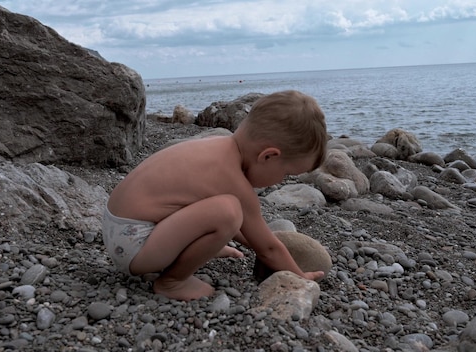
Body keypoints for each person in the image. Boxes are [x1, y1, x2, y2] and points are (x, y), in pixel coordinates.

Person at [103, 90, 328, 301]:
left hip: (118, 228)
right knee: (227, 212)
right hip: (134, 243)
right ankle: (173, 281)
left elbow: (244, 230)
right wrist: (301, 277)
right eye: (286, 173)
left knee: (218, 210)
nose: (282, 180)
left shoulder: (216, 147)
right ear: (268, 156)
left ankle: (194, 249)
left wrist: (230, 241)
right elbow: (267, 248)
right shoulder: (231, 179)